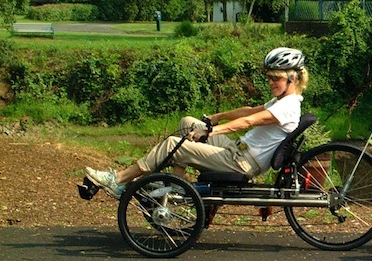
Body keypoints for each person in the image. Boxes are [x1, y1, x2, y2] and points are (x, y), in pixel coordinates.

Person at [84, 47, 308, 198]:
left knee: (173, 145)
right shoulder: (283, 101)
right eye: (268, 77)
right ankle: (174, 184)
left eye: (275, 78)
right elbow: (249, 111)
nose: (270, 82)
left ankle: (119, 180)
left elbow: (247, 121)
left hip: (241, 163)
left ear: (293, 78)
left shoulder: (287, 107)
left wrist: (210, 133)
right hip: (237, 150)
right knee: (188, 123)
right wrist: (216, 118)